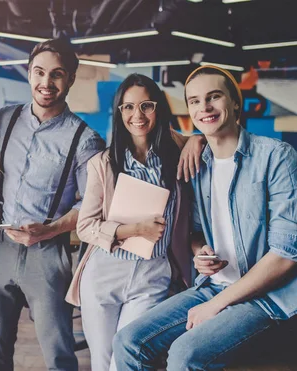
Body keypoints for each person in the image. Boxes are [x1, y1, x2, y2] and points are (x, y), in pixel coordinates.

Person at [113, 65, 297, 371]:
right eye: (194, 101)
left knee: (185, 354)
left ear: (234, 102)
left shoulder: (278, 158)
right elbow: (196, 232)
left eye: (213, 97)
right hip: (213, 287)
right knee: (128, 341)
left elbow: (286, 256)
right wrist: (200, 251)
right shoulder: (198, 165)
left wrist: (216, 305)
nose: (203, 107)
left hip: (270, 303)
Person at [0, 38, 106, 371]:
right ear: (28, 73)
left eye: (57, 74)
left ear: (71, 79)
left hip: (48, 254)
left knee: (58, 352)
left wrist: (51, 229)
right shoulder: (2, 120)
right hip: (1, 246)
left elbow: (95, 207)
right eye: (39, 72)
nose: (46, 83)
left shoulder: (85, 138)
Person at [66, 73, 200, 371]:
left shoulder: (177, 153)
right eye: (128, 107)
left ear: (158, 109)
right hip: (104, 274)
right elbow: (85, 226)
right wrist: (135, 230)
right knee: (102, 364)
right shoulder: (103, 163)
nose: (137, 115)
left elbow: (206, 138)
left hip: (151, 277)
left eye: (146, 106)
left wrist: (198, 138)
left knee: (125, 361)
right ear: (119, 112)